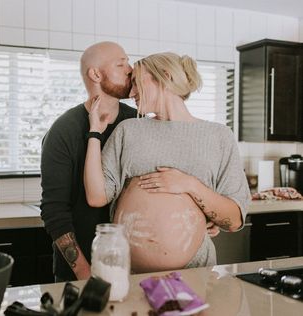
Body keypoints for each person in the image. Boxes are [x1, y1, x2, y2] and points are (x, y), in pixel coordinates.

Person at [84, 52, 251, 273]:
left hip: (196, 275)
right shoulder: (129, 130)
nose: (130, 92)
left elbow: (234, 220)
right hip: (128, 275)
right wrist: (94, 133)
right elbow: (96, 196)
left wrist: (189, 184)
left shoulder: (218, 136)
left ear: (164, 76)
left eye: (136, 82)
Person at [40, 42, 137, 281]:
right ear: (95, 74)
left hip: (132, 268)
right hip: (79, 272)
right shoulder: (64, 131)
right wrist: (85, 273)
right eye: (120, 64)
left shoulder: (137, 122)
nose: (130, 69)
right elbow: (54, 212)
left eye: (129, 62)